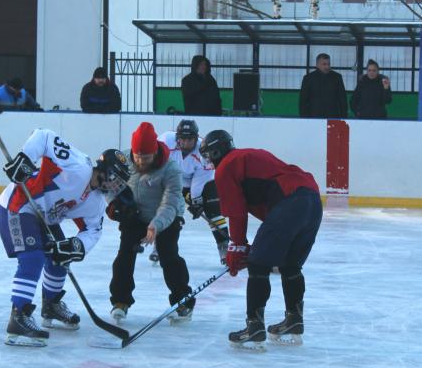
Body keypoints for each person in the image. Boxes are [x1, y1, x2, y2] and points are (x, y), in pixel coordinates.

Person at [0, 129, 131, 347]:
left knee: (60, 256)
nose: (117, 186)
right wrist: (25, 158)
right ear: (105, 170)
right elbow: (44, 137)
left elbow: (93, 231)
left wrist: (76, 246)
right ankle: (18, 316)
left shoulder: (95, 202)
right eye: (117, 179)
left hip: (44, 218)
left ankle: (50, 304)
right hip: (18, 205)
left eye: (121, 183)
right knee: (33, 258)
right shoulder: (79, 166)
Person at [200, 130, 322, 349]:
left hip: (292, 201)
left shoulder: (226, 167)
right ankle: (294, 319)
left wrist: (237, 247)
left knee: (258, 264)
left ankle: (254, 326)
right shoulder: (245, 157)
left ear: (216, 151)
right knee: (290, 264)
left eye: (208, 155)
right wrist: (246, 246)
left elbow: (237, 213)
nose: (207, 160)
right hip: (312, 200)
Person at [106, 122, 194, 324]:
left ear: (154, 152)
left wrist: (155, 225)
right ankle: (120, 301)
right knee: (124, 255)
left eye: (145, 157)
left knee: (168, 255)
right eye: (137, 156)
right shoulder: (123, 160)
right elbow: (109, 185)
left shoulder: (170, 168)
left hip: (167, 217)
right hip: (134, 215)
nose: (140, 160)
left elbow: (170, 203)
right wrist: (114, 205)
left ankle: (183, 300)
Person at [153, 119, 229, 265]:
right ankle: (160, 244)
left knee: (213, 209)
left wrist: (196, 200)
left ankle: (224, 245)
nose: (186, 143)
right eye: (183, 139)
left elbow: (201, 178)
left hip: (199, 181)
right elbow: (156, 162)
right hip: (170, 179)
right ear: (177, 138)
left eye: (190, 139)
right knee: (166, 209)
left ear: (196, 138)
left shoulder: (203, 150)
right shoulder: (165, 141)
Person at [298, 53, 347, 118]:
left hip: (333, 117)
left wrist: (344, 117)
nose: (327, 67)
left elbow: (342, 100)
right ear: (317, 65)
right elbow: (303, 101)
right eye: (324, 64)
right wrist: (305, 119)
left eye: (328, 64)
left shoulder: (337, 77)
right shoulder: (308, 78)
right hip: (313, 117)